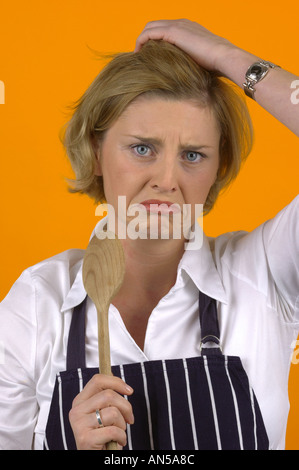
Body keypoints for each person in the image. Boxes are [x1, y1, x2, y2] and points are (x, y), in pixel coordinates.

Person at [0, 19, 298, 451]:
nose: (167, 179)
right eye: (143, 148)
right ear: (97, 151)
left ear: (217, 170)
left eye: (193, 155)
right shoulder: (35, 305)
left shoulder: (264, 274)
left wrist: (228, 58)